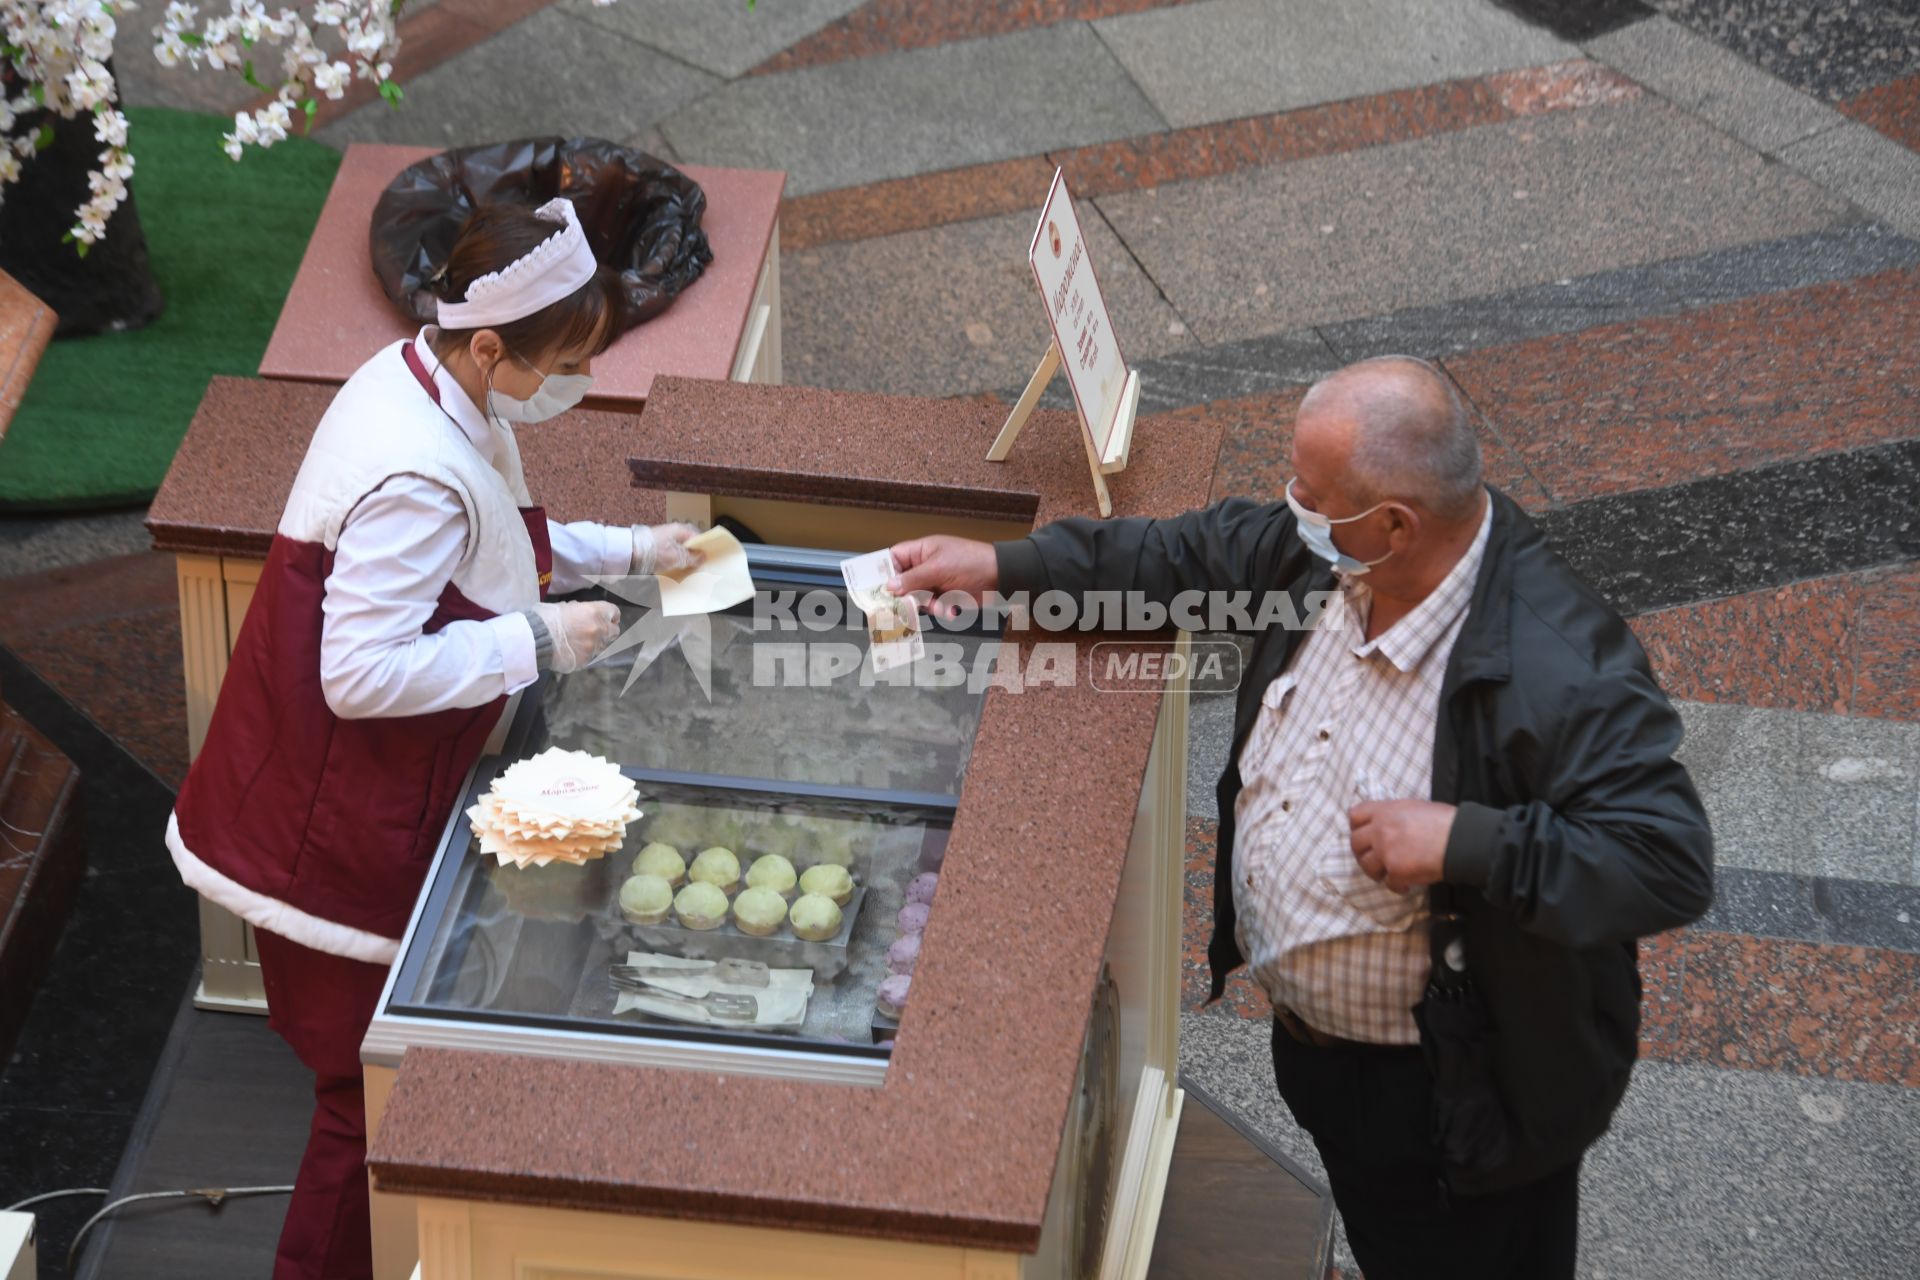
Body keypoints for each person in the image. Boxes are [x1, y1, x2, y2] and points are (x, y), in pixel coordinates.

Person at [890, 356, 1713, 1280]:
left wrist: (1462, 841)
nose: (1292, 505)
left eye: (1313, 493)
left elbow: (1667, 858)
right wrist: (1006, 567)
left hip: (1461, 1100)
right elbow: (1180, 557)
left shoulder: (1560, 665)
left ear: (1395, 525)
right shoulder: (1318, 557)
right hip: (1332, 1069)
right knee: (1389, 1235)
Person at [165, 198, 700, 1280]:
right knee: (364, 1105)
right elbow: (359, 672)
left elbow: (503, 536)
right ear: (493, 343)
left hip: (359, 803)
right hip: (331, 832)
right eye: (564, 361)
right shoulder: (413, 466)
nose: (572, 385)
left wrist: (644, 548)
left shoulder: (431, 380)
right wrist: (536, 638)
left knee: (378, 1093)